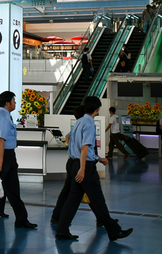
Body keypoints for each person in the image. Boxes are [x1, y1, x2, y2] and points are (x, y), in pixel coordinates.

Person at [55, 96, 133, 242]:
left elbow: (74, 142)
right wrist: (83, 168)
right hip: (85, 166)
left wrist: (97, 159)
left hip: (74, 162)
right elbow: (85, 147)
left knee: (73, 198)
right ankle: (114, 231)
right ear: (97, 110)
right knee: (97, 199)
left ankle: (62, 230)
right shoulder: (90, 124)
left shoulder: (79, 122)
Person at [0, 91, 37, 229]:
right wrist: (0, 161)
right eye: (14, 100)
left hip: (8, 156)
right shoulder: (2, 116)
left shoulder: (5, 115)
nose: (15, 103)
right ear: (8, 103)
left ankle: (21, 219)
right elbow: (0, 139)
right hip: (4, 156)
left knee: (12, 190)